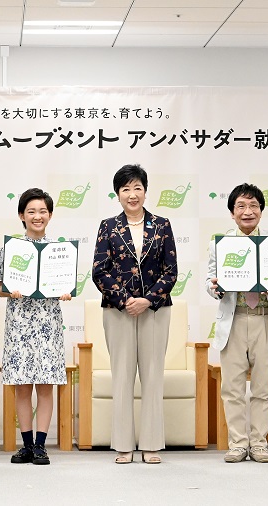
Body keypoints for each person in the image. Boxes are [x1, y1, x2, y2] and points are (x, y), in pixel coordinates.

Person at [92, 164, 177, 464]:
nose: (132, 194)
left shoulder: (162, 225)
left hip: (155, 311)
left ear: (145, 190)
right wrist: (127, 300)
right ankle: (124, 444)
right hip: (119, 311)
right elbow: (99, 271)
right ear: (117, 194)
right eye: (126, 188)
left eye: (137, 187)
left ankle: (152, 444)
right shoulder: (108, 226)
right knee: (123, 377)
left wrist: (147, 300)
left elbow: (171, 272)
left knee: (153, 376)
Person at [205, 183, 268, 464]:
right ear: (232, 212)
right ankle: (237, 444)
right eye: (241, 206)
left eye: (253, 205)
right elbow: (210, 280)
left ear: (261, 211)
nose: (247, 211)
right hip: (234, 320)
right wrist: (215, 287)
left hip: (265, 319)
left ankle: (258, 443)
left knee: (263, 387)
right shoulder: (219, 244)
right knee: (231, 387)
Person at [0, 188, 71, 466]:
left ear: (49, 215)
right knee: (22, 387)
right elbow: (0, 288)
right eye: (31, 211)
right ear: (21, 216)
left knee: (46, 386)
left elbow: (65, 287)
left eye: (42, 211)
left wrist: (65, 292)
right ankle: (26, 445)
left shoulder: (59, 251)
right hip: (19, 324)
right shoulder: (10, 248)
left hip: (48, 324)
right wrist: (11, 291)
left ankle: (41, 445)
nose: (37, 216)